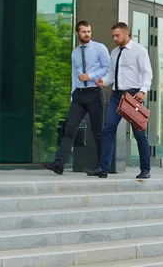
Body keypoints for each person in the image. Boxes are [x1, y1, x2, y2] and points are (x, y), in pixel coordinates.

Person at [86, 21, 153, 179]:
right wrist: (104, 81)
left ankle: (145, 169)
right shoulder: (115, 52)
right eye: (113, 36)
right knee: (108, 129)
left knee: (139, 134)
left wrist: (143, 91)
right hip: (117, 96)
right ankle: (103, 168)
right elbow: (111, 73)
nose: (114, 38)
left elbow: (147, 73)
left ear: (126, 33)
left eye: (117, 35)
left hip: (134, 95)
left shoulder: (139, 50)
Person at [42, 21, 110, 175]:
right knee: (69, 130)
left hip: (95, 93)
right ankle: (59, 164)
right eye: (84, 32)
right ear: (77, 33)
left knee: (98, 132)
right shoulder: (75, 53)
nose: (87, 34)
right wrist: (72, 96)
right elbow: (74, 75)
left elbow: (107, 68)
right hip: (79, 95)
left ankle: (102, 168)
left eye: (89, 31)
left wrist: (90, 76)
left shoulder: (100, 48)